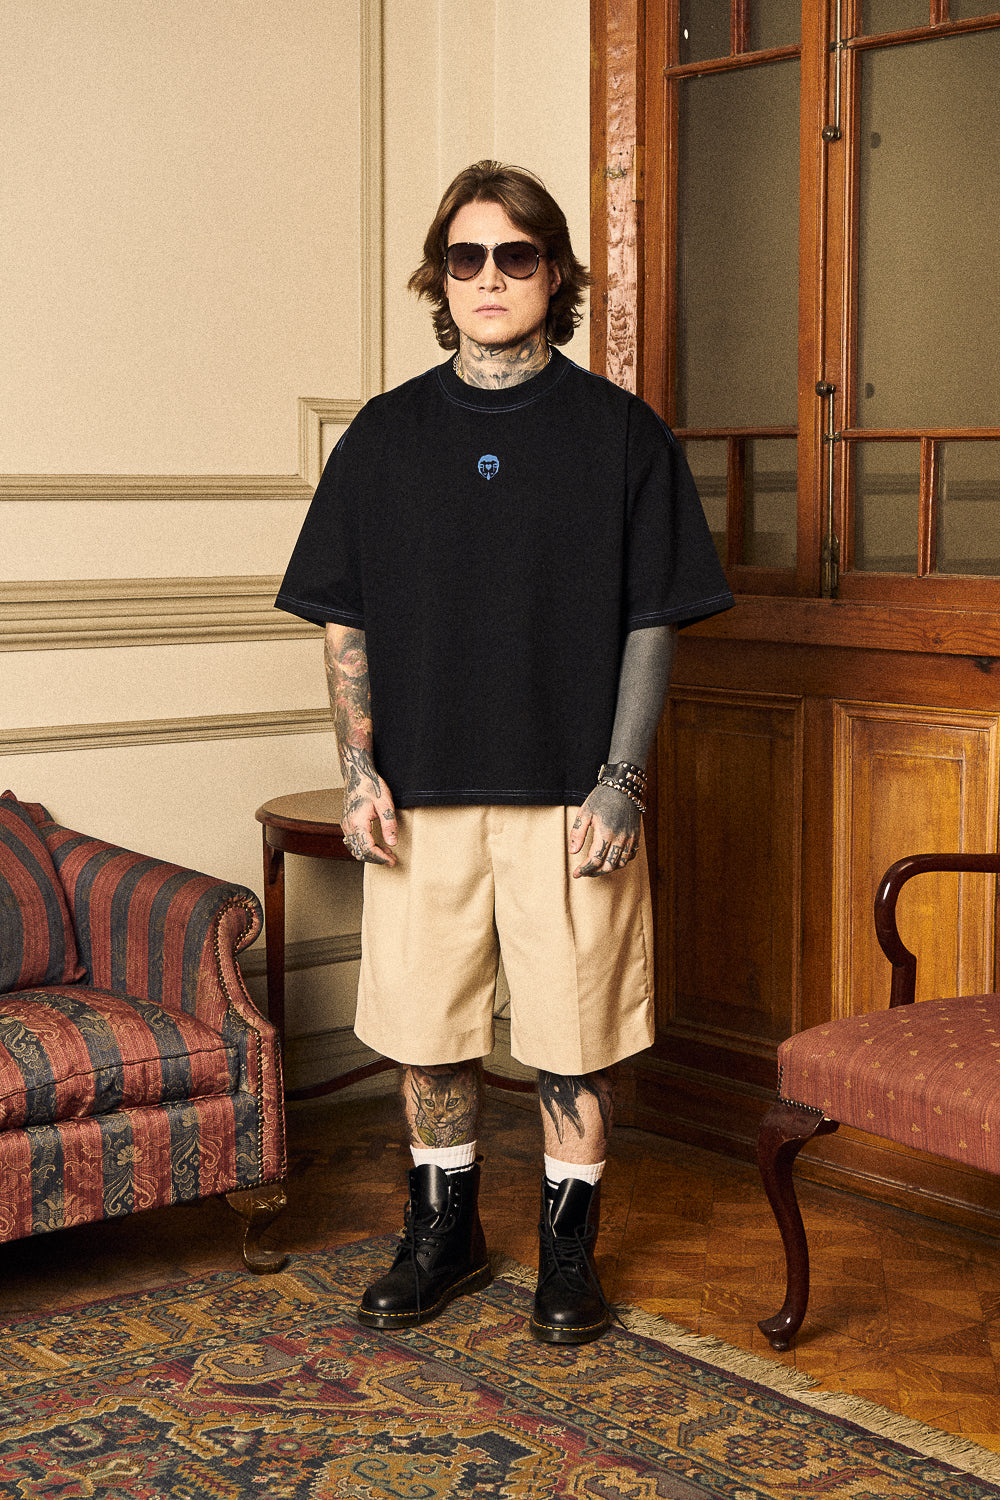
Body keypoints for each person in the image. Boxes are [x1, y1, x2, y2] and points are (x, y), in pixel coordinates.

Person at [275, 160, 733, 1344]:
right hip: (420, 795)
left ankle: (568, 1256)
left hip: (571, 797)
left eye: (515, 256)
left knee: (576, 1041)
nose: (489, 277)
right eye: (466, 256)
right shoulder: (384, 436)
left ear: (554, 276)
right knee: (426, 1034)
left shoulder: (621, 436)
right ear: (439, 277)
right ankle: (444, 1237)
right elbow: (342, 619)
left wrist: (621, 780)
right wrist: (358, 774)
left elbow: (651, 620)